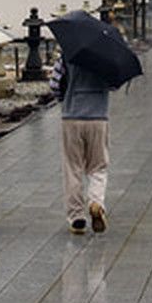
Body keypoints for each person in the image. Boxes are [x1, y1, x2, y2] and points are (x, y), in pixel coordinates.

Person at [53, 53, 112, 234]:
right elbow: (114, 84)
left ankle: (76, 217)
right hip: (98, 117)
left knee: (73, 168)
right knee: (98, 165)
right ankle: (96, 202)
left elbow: (55, 85)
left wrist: (64, 98)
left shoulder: (67, 55)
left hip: (71, 117)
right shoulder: (106, 57)